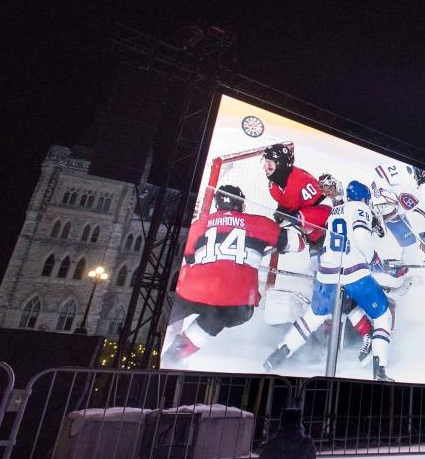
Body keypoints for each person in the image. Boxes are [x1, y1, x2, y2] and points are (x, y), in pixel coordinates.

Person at [262, 181, 396, 381]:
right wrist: (374, 259)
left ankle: (277, 356)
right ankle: (380, 372)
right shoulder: (360, 207)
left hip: (327, 274)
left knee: (313, 317)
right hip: (353, 273)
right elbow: (360, 236)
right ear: (363, 198)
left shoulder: (334, 211)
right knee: (382, 315)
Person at [162, 185, 290, 368]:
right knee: (217, 316)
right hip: (235, 303)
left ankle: (152, 350)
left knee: (165, 315)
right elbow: (295, 243)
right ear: (241, 204)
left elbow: (189, 256)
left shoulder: (200, 225)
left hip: (192, 291)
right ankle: (173, 357)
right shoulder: (258, 223)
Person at [263, 142, 331, 248]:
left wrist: (292, 218)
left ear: (280, 164)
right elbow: (286, 208)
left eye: (269, 164)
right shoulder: (273, 185)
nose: (265, 167)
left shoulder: (301, 180)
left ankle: (317, 239)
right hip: (310, 229)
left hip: (326, 225)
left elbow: (326, 209)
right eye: (265, 163)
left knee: (298, 218)